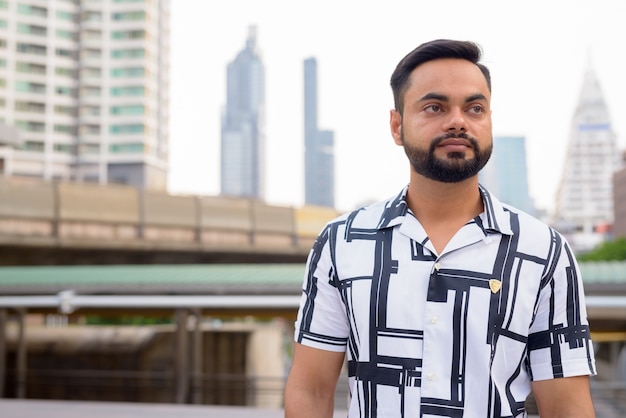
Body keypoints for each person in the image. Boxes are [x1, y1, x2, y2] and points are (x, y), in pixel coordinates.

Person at [284, 39, 597, 417]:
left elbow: (567, 407)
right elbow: (311, 391)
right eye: (435, 107)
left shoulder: (543, 250)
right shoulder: (342, 243)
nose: (458, 121)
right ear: (397, 126)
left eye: (475, 108)